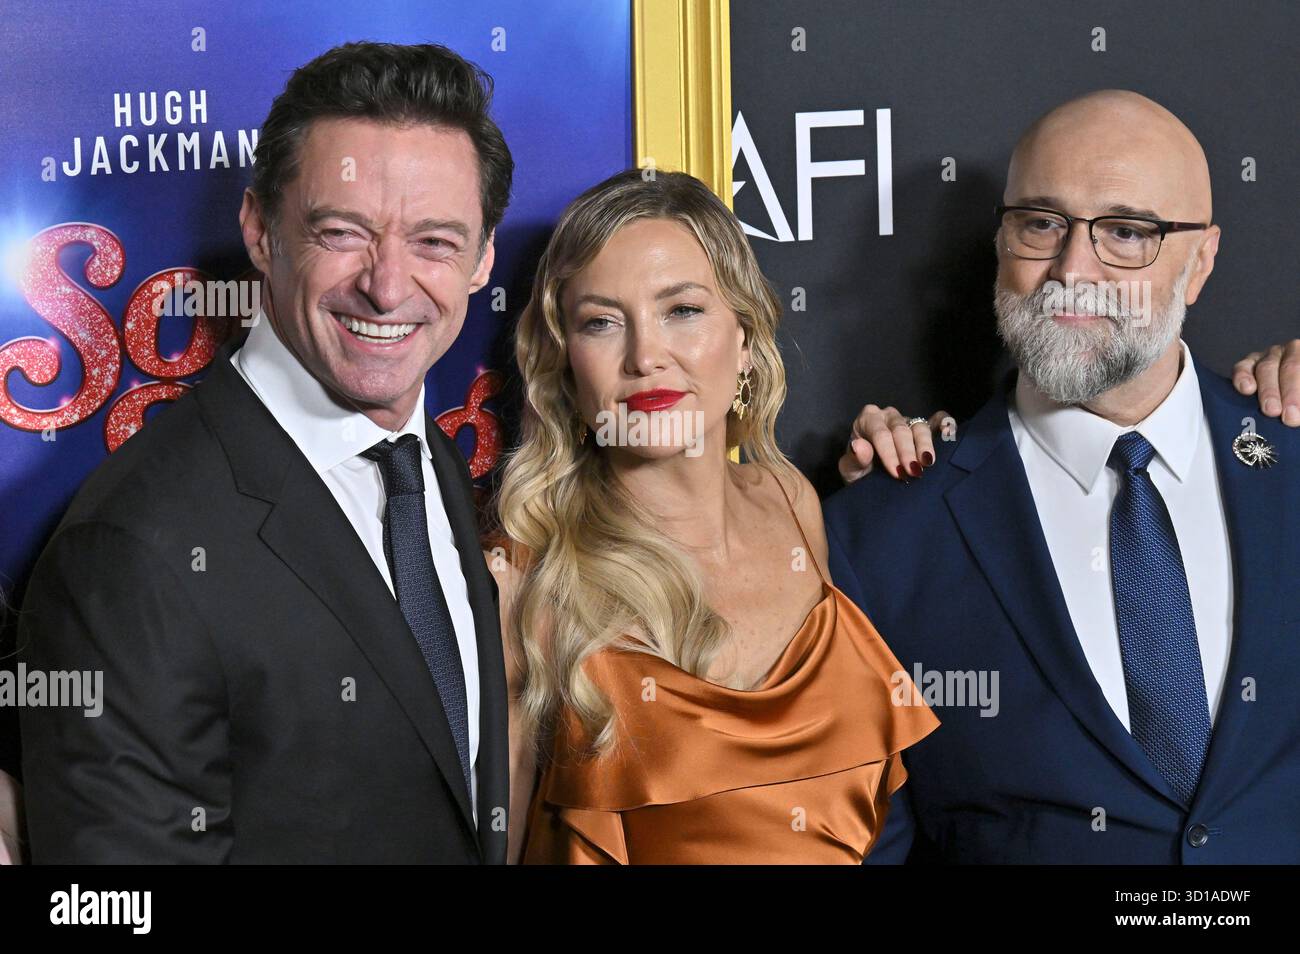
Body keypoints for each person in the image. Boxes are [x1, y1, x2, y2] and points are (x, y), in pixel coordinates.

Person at [17, 42, 512, 863]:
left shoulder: (431, 468)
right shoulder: (135, 551)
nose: (387, 288)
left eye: (434, 241)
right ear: (259, 231)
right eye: (344, 233)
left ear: (483, 259)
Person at [824, 90, 1300, 862]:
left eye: (1126, 232)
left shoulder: (1289, 462)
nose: (1074, 270)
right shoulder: (879, 535)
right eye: (1041, 224)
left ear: (1201, 260)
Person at [491, 169, 939, 864]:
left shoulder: (795, 504)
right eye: (602, 322)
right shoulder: (528, 574)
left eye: (682, 311)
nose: (646, 357)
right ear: (565, 365)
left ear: (746, 341)